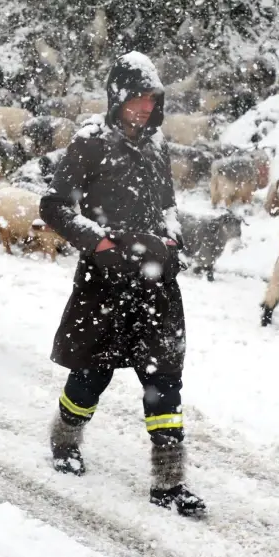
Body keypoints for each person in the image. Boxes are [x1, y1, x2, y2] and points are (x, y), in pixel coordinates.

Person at [39, 51, 206, 518]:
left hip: (156, 284)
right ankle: (65, 440)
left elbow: (168, 206)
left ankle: (168, 482)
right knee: (92, 374)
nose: (144, 109)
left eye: (150, 101)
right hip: (105, 282)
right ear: (116, 99)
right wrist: (100, 245)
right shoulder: (89, 143)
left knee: (164, 381)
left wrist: (173, 239)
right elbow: (55, 207)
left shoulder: (156, 149)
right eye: (135, 100)